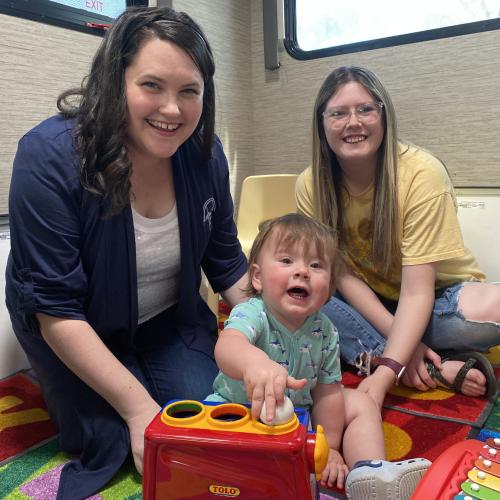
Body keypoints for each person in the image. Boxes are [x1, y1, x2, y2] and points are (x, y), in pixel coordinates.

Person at [6, 6, 248, 499]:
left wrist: (271, 334)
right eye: (152, 86)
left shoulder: (206, 155)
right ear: (116, 81)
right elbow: (57, 310)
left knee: (212, 419)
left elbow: (226, 264)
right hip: (74, 328)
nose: (172, 110)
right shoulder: (49, 156)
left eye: (189, 92)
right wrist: (139, 412)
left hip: (166, 321)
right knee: (114, 441)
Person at [295, 65, 500, 412]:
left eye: (365, 109)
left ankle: (374, 355)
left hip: (435, 297)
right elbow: (341, 276)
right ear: (322, 123)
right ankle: (433, 365)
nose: (353, 122)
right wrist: (403, 349)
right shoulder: (309, 185)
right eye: (338, 113)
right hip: (366, 301)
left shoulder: (421, 173)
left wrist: (387, 371)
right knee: (293, 296)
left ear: (384, 115)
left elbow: (417, 291)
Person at [206, 213, 430, 498]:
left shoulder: (325, 329)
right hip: (240, 415)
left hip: (300, 418)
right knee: (218, 459)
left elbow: (326, 391)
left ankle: (370, 476)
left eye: (315, 265)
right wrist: (254, 362)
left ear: (328, 291)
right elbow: (227, 346)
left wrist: (329, 447)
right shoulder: (252, 312)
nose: (302, 272)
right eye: (287, 261)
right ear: (258, 278)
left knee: (360, 402)